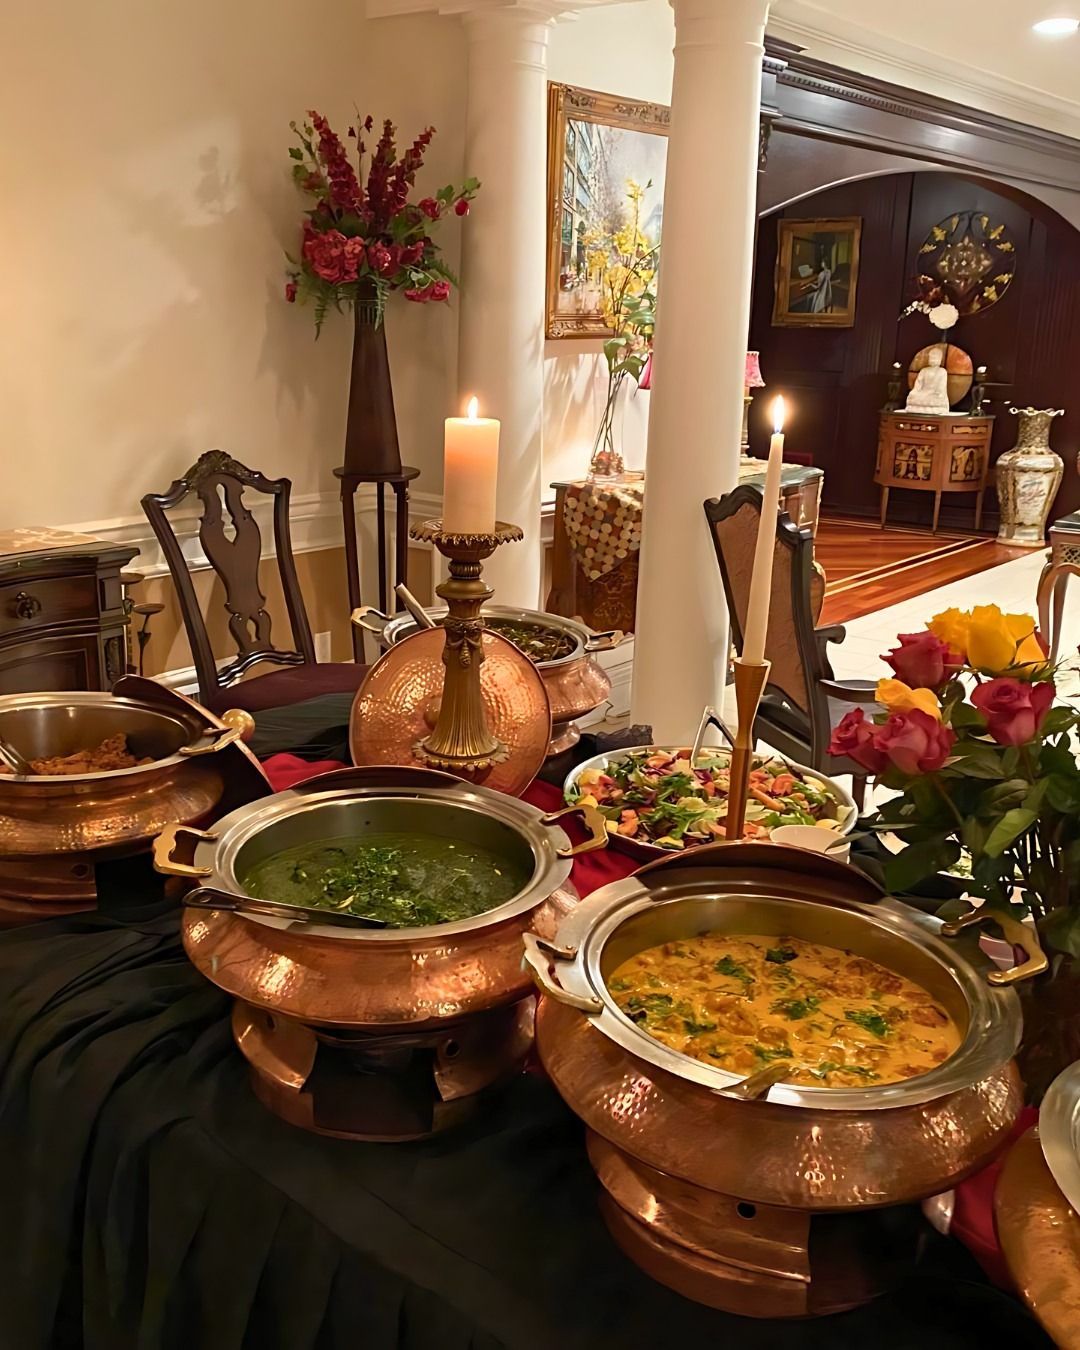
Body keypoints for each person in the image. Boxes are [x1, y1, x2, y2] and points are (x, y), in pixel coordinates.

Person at [905, 346, 950, 414]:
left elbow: (941, 388)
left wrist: (934, 394)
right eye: (931, 357)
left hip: (934, 395)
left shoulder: (942, 372)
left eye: (935, 358)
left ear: (940, 359)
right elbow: (918, 385)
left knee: (936, 400)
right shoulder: (924, 371)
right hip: (923, 394)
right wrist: (915, 392)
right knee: (911, 397)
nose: (932, 359)